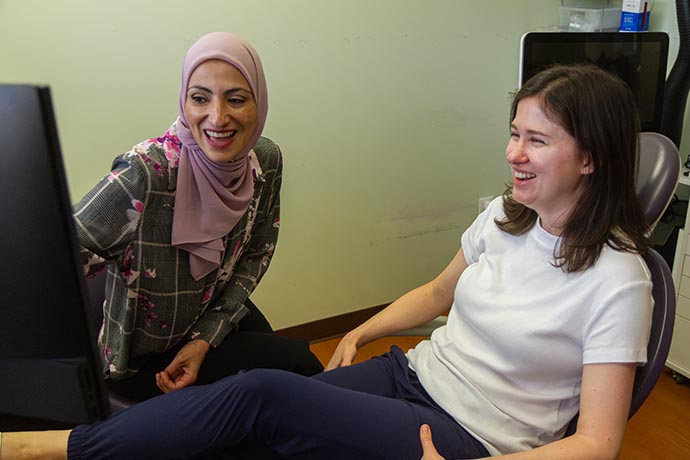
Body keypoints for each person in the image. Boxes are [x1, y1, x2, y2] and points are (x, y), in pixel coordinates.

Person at [0, 63, 653, 460]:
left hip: (468, 438)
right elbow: (435, 294)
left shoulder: (619, 281)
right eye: (513, 133)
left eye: (536, 140)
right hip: (413, 378)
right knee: (249, 424)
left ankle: (47, 448)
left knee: (260, 397)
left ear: (591, 157)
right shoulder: (506, 219)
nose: (514, 153)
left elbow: (599, 442)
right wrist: (364, 333)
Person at [72, 31, 323, 401]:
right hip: (143, 358)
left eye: (236, 99)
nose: (217, 118)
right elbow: (50, 265)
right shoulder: (147, 175)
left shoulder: (265, 161)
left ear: (260, 103)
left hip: (207, 308)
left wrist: (207, 336)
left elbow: (255, 255)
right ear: (183, 102)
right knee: (297, 366)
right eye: (199, 98)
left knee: (294, 375)